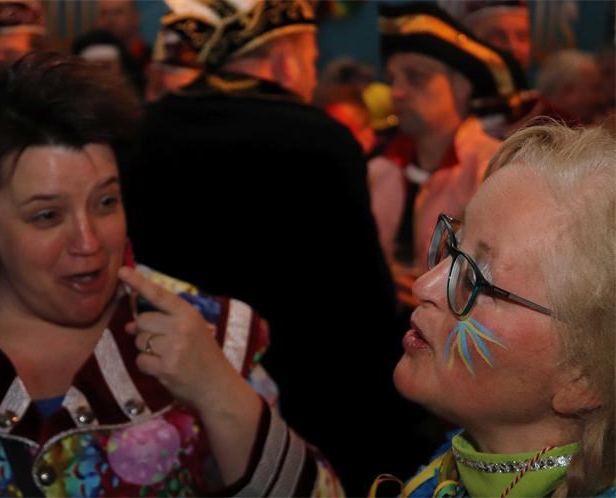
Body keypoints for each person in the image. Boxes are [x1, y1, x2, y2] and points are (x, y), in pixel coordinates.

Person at [0, 52, 342, 497]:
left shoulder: (208, 334)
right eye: (47, 216)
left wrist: (218, 391)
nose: (89, 241)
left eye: (106, 202)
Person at [125, 0, 401, 493]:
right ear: (284, 61)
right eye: (311, 59)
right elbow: (362, 305)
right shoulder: (321, 140)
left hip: (161, 391)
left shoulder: (140, 129)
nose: (312, 75)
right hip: (300, 404)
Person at [371, 123, 616, 497]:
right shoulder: (450, 468)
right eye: (454, 246)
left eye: (476, 279)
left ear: (582, 376)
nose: (424, 286)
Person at [370, 2, 520, 298]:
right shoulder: (377, 168)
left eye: (415, 77)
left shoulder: (493, 169)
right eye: (391, 79)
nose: (396, 92)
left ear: (461, 86)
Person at [95, 0, 151, 72]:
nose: (110, 20)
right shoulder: (89, 59)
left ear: (135, 17)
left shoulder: (152, 61)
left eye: (118, 12)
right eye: (104, 13)